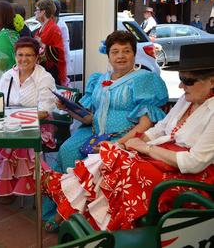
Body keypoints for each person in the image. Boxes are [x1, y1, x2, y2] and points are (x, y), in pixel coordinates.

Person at [43, 42, 214, 231]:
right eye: (181, 78)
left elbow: (193, 162)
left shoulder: (145, 80)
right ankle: (79, 218)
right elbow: (160, 129)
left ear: (212, 81)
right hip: (160, 158)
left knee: (113, 163)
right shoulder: (187, 100)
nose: (181, 85)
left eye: (188, 80)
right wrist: (124, 146)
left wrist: (141, 147)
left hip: (189, 176)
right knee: (107, 156)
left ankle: (80, 214)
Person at [42, 30, 168, 231]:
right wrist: (68, 108)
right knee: (67, 150)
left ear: (134, 54)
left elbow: (146, 123)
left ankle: (86, 220)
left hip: (125, 136)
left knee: (98, 162)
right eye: (115, 51)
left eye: (126, 51)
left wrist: (117, 144)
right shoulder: (100, 79)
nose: (120, 56)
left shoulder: (144, 79)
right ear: (108, 55)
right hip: (94, 133)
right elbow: (89, 117)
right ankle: (65, 211)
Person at [0, 37, 56, 200]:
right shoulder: (9, 75)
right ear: (15, 56)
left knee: (14, 145)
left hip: (35, 125)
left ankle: (10, 188)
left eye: (29, 55)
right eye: (20, 55)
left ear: (37, 57)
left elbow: (45, 111)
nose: (24, 59)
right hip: (8, 123)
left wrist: (17, 118)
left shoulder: (44, 78)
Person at [34, 0, 68, 86]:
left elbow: (59, 53)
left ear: (43, 12)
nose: (35, 12)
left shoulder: (53, 28)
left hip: (51, 74)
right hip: (43, 72)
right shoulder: (42, 28)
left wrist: (42, 44)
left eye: (37, 10)